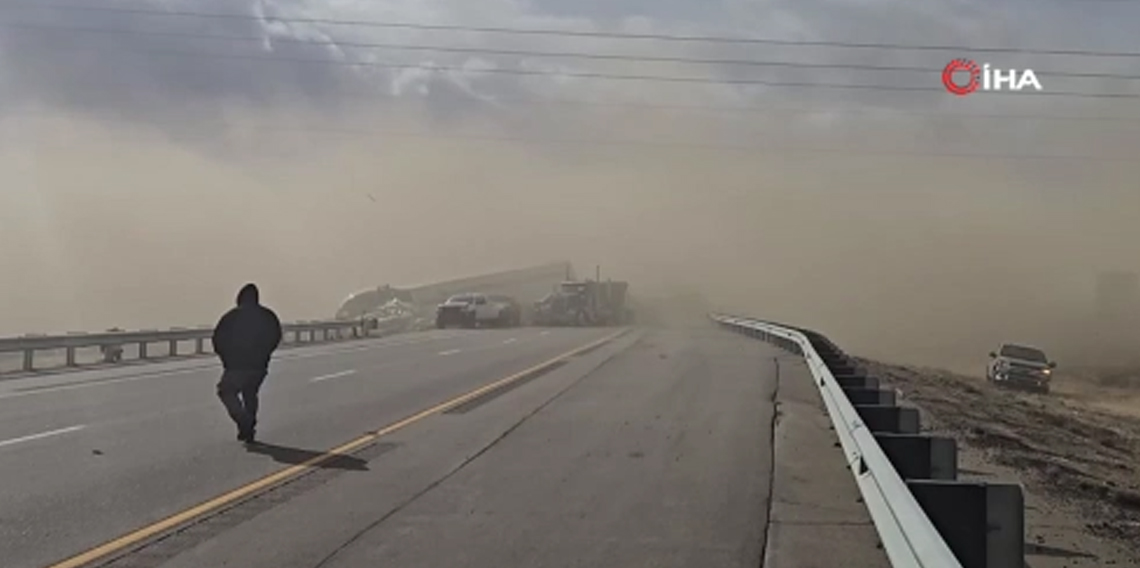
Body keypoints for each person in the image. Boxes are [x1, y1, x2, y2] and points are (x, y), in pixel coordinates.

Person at [211, 283, 282, 443]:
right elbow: (275, 337)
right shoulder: (268, 316)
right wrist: (265, 354)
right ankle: (249, 428)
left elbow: (218, 340)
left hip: (236, 365)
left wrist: (226, 359)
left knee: (226, 391)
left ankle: (244, 421)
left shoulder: (231, 317)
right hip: (259, 366)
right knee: (250, 393)